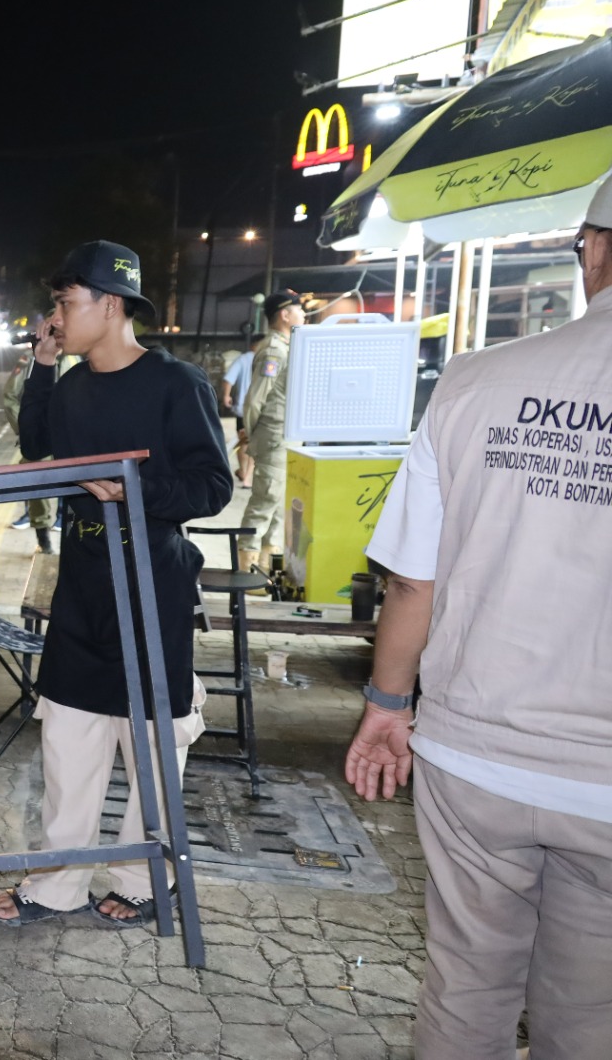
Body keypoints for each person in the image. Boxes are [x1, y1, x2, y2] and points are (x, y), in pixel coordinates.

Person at [343, 177, 612, 1060]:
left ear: (594, 249)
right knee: (591, 1015)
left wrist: (387, 707)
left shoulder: (476, 382)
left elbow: (412, 585)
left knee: (468, 987)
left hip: (475, 756)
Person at [0, 240, 231, 928]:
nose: (56, 316)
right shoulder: (69, 387)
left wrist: (132, 489)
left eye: (66, 303)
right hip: (85, 583)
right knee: (69, 735)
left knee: (152, 743)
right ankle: (57, 883)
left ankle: (144, 877)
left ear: (111, 304)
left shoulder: (176, 383)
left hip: (153, 583)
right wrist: (40, 364)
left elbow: (212, 485)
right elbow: (39, 446)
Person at [239, 289, 305, 575]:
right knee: (266, 501)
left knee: (281, 507)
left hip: (287, 437)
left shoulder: (289, 347)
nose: (303, 315)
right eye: (299, 310)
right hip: (274, 436)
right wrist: (250, 434)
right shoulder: (273, 350)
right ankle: (246, 572)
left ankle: (266, 573)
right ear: (285, 314)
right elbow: (255, 399)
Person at [2, 317, 78, 555]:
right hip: (41, 437)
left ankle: (63, 525)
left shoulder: (78, 360)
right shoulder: (31, 360)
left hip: (71, 439)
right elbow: (10, 397)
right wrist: (25, 429)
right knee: (38, 485)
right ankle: (42, 535)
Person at [220, 335, 259, 488]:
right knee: (254, 442)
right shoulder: (270, 358)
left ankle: (243, 471)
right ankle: (248, 477)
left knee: (242, 440)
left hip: (243, 408)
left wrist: (226, 396)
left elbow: (228, 379)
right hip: (260, 408)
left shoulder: (243, 359)